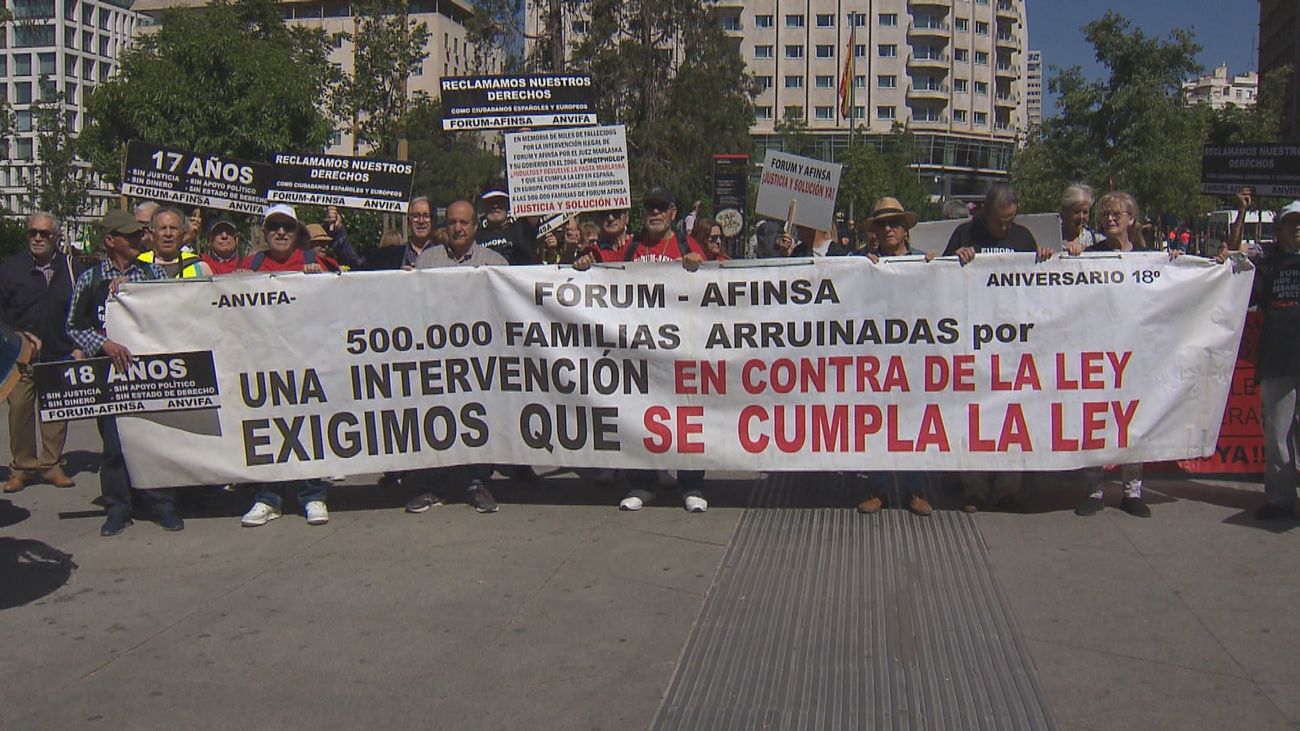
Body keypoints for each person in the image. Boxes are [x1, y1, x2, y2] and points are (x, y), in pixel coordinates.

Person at [577, 186, 709, 512]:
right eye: (650, 207)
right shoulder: (632, 247)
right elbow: (602, 268)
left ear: (673, 212)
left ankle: (691, 485)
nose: (655, 213)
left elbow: (713, 284)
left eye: (661, 207)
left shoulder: (685, 245)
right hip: (640, 352)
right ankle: (643, 483)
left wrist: (698, 264)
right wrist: (583, 262)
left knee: (686, 416)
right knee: (641, 414)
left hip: (681, 350)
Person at [66, 210, 182, 536]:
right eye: (130, 236)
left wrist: (136, 291)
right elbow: (73, 325)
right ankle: (118, 507)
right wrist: (102, 344)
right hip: (110, 375)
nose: (137, 240)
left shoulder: (153, 273)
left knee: (155, 439)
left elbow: (171, 309)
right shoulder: (90, 279)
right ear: (110, 240)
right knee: (114, 447)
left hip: (148, 373)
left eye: (138, 235)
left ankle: (162, 504)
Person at [404, 199, 508, 515]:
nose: (458, 228)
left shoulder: (497, 264)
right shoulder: (428, 262)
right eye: (452, 222)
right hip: (438, 358)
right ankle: (434, 485)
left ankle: (477, 483)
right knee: (438, 420)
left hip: (479, 360)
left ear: (475, 227)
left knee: (478, 421)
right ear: (444, 226)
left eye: (464, 223)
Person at [239, 205, 331, 527]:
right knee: (269, 428)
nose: (281, 233)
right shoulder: (251, 264)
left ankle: (313, 494)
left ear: (296, 233)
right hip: (264, 361)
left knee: (308, 427)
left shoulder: (311, 262)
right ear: (265, 232)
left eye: (287, 228)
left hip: (305, 359)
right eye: (274, 227)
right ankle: (269, 497)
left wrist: (324, 281)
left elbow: (338, 300)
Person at [1070, 191, 1153, 518]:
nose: (1110, 219)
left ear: (1132, 219)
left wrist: (1178, 262)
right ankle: (1094, 489)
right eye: (1105, 215)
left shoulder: (1149, 258)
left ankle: (1132, 491)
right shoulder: (1091, 254)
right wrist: (1072, 255)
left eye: (1117, 214)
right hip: (1099, 348)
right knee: (1097, 418)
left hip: (1135, 349)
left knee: (1133, 419)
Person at [854, 198, 934, 517]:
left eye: (895, 224)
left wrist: (938, 268)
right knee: (877, 420)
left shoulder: (922, 262)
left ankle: (914, 489)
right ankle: (879, 488)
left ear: (905, 230)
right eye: (882, 224)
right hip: (875, 357)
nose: (889, 229)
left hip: (913, 357)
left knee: (913, 420)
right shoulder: (860, 262)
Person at [1226, 198, 1300, 520]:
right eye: (1292, 223)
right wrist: (1241, 214)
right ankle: (1281, 499)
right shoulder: (1267, 265)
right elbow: (1236, 276)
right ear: (1280, 230)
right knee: (1278, 433)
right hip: (1277, 359)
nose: (1298, 228)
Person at [0, 212, 79, 492]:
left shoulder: (71, 267)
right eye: (32, 232)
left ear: (55, 237)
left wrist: (79, 347)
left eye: (44, 234)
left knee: (56, 413)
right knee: (19, 411)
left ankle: (51, 465)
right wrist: (16, 337)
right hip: (21, 356)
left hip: (59, 352)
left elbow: (82, 310)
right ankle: (22, 468)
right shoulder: (11, 268)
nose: (37, 238)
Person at [943, 183, 1053, 263]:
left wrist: (1044, 256)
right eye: (998, 222)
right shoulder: (965, 233)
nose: (1004, 228)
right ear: (986, 212)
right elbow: (941, 270)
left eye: (1010, 222)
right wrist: (955, 257)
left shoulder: (1023, 236)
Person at [361, 197, 438, 271]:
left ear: (433, 221)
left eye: (426, 216)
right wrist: (397, 275)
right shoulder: (390, 256)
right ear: (409, 221)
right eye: (416, 216)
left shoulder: (444, 255)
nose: (421, 221)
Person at [476, 180, 538, 265]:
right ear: (483, 206)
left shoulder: (522, 229)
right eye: (490, 202)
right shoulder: (475, 237)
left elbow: (535, 207)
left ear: (508, 204)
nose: (495, 206)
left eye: (499, 201)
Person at [138, 207, 211, 278]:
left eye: (173, 228)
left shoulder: (199, 267)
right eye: (163, 228)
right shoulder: (138, 264)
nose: (168, 234)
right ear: (152, 232)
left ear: (182, 232)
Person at [1060, 183, 1098, 251]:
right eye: (1076, 212)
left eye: (1085, 212)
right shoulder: (1050, 238)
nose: (1081, 217)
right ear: (1065, 212)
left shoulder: (1096, 240)